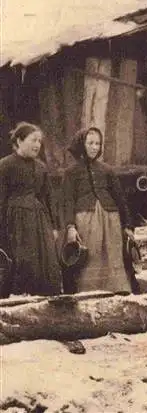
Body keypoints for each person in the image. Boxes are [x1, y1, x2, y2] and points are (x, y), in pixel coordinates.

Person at [62, 127, 136, 294]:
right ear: (81, 144)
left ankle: (116, 290)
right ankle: (90, 292)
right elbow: (67, 201)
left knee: (112, 254)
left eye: (97, 143)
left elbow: (120, 199)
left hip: (110, 219)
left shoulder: (107, 170)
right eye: (90, 143)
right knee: (91, 255)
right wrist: (70, 227)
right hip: (85, 220)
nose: (94, 147)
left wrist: (128, 225)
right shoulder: (71, 173)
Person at [0, 122, 62, 297]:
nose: (37, 145)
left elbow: (48, 197)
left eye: (40, 141)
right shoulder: (5, 165)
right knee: (22, 261)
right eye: (33, 140)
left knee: (47, 261)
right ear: (19, 141)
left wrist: (54, 226)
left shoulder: (41, 167)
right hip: (15, 221)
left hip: (39, 221)